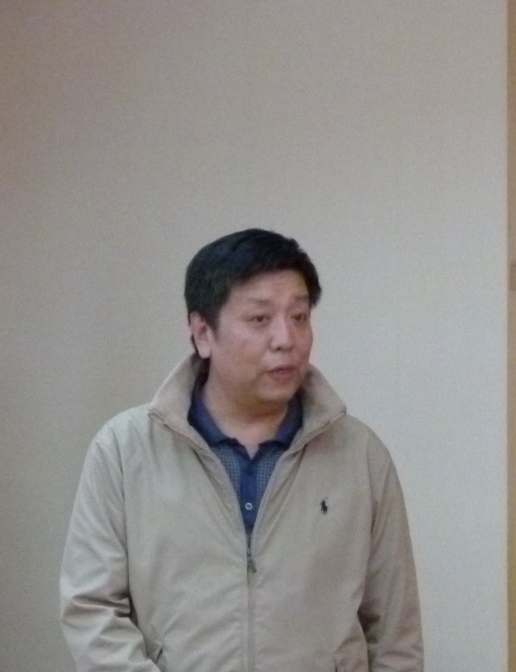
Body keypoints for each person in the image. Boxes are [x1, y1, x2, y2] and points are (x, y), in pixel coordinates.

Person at [59, 229, 422, 671]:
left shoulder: (360, 456)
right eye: (259, 319)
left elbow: (395, 635)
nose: (286, 339)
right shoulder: (124, 450)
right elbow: (92, 610)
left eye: (299, 316)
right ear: (202, 333)